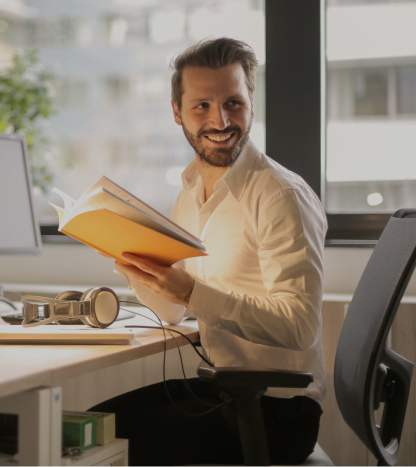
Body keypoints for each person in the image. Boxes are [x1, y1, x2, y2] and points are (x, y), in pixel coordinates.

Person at [89, 38, 327, 466]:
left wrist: (190, 292)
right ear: (177, 113)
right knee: (86, 425)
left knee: (93, 446)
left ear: (251, 104)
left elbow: (299, 325)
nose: (220, 120)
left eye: (233, 102)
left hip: (276, 412)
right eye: (202, 106)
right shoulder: (192, 190)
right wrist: (134, 264)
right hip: (224, 389)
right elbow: (173, 312)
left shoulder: (280, 195)